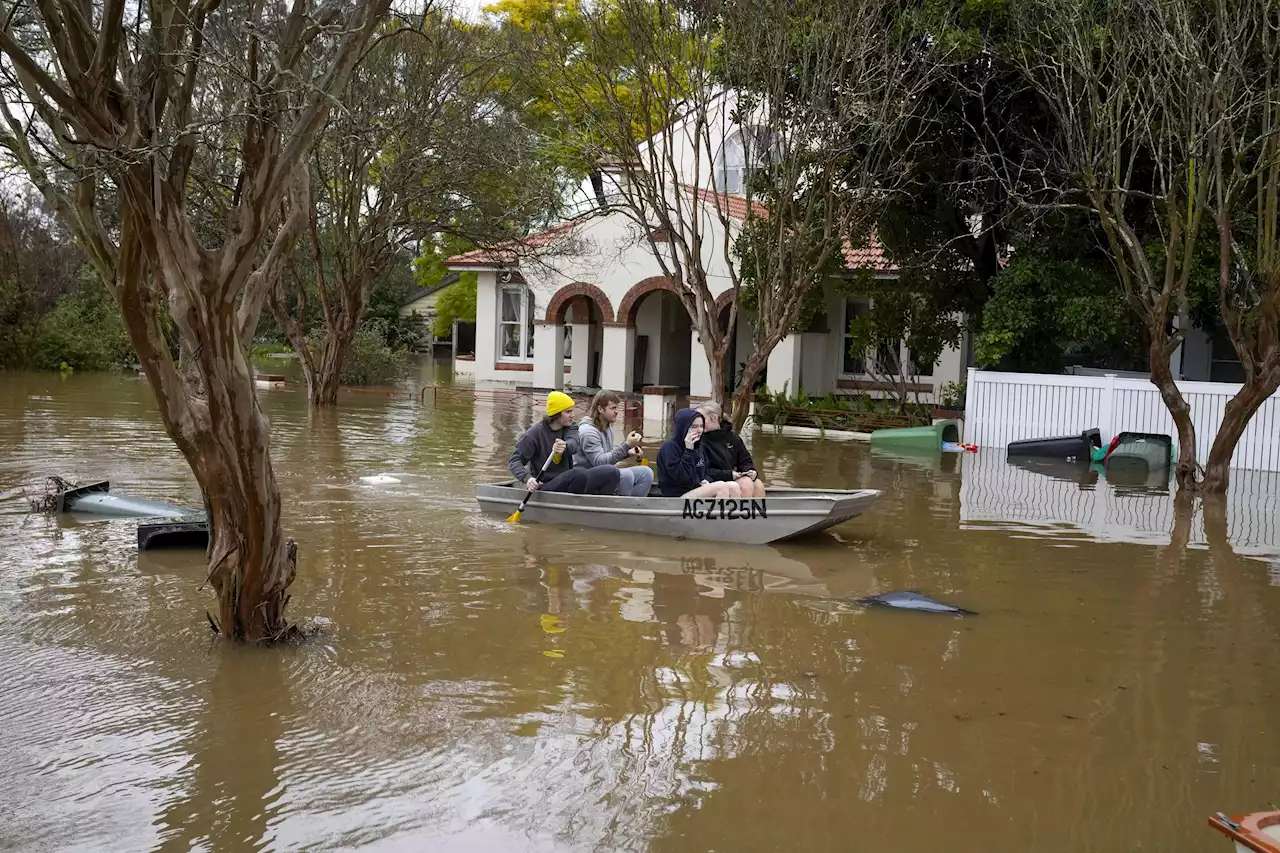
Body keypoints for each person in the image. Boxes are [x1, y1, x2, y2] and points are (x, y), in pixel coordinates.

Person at [509, 391, 620, 495]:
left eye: (573, 410)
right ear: (556, 414)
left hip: (568, 480)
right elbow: (515, 461)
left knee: (611, 471)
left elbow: (574, 445)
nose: (573, 415)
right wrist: (527, 478)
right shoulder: (534, 434)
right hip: (545, 485)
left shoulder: (571, 427)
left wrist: (564, 446)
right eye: (568, 412)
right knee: (578, 473)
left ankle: (601, 504)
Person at [574, 391, 655, 497]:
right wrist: (626, 445)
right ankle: (620, 510)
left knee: (646, 473)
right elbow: (600, 462)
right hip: (585, 479)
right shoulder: (588, 431)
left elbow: (609, 458)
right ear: (600, 409)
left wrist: (627, 452)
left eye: (617, 408)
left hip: (605, 473)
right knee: (627, 475)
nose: (617, 412)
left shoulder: (608, 428)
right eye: (612, 408)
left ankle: (634, 508)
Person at [656, 408, 742, 498]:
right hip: (676, 497)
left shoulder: (699, 446)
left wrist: (706, 481)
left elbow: (706, 472)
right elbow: (681, 478)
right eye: (694, 426)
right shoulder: (669, 447)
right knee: (721, 487)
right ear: (683, 427)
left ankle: (731, 512)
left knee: (734, 486)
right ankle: (717, 511)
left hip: (695, 490)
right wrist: (688, 451)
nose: (699, 430)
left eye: (701, 426)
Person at [696, 400, 766, 498]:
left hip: (730, 476)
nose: (699, 423)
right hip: (712, 479)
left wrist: (750, 471)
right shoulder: (699, 439)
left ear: (715, 418)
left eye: (702, 419)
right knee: (745, 484)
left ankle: (758, 513)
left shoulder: (732, 437)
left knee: (758, 484)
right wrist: (728, 475)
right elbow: (701, 470)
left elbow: (745, 460)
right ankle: (741, 513)